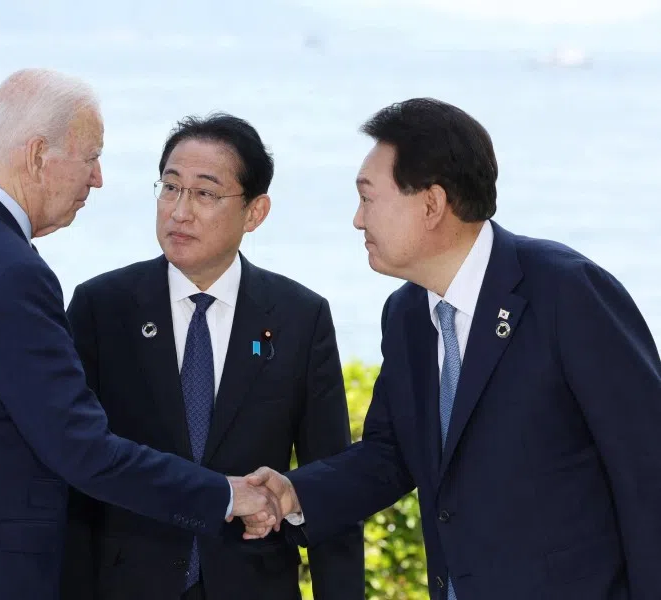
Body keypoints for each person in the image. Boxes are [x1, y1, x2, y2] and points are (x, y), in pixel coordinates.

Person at [0, 68, 281, 600]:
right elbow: (83, 451)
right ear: (38, 155)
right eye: (91, 156)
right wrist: (225, 495)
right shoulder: (11, 271)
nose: (97, 179)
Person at [242, 98, 661, 599]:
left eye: (368, 197)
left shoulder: (565, 291)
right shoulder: (405, 317)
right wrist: (296, 492)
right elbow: (391, 453)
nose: (357, 219)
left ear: (432, 204)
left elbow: (646, 468)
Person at [61, 113, 365, 600]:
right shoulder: (103, 307)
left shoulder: (299, 317)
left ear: (255, 211)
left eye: (205, 194)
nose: (179, 212)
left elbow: (329, 483)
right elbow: (72, 468)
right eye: (170, 188)